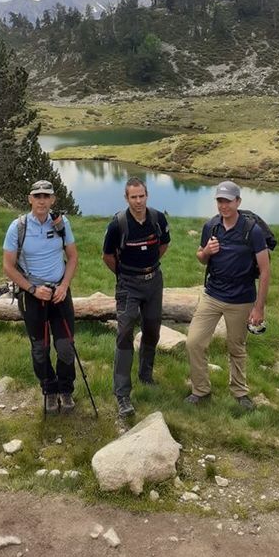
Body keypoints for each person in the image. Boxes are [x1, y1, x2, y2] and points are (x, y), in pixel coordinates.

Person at [186, 180, 270, 410]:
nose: (223, 206)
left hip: (241, 299)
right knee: (194, 342)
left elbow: (264, 270)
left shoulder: (251, 230)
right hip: (212, 294)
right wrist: (206, 251)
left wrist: (259, 307)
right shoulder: (211, 226)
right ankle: (200, 390)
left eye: (228, 201)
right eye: (220, 201)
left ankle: (240, 392)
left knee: (236, 347)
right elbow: (201, 257)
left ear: (238, 202)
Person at [3, 180, 78, 415]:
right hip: (33, 295)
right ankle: (49, 390)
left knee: (65, 346)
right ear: (30, 199)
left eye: (47, 196)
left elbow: (73, 258)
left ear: (53, 199)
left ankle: (65, 390)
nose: (42, 200)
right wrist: (33, 289)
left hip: (59, 294)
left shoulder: (61, 223)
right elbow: (8, 266)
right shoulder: (18, 227)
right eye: (38, 196)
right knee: (40, 348)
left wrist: (64, 286)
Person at [102, 177, 170, 419]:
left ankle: (146, 375)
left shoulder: (157, 219)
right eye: (134, 197)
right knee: (124, 333)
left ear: (147, 195)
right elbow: (108, 256)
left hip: (154, 281)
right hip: (128, 285)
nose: (138, 201)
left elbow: (163, 245)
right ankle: (122, 394)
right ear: (126, 198)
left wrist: (148, 267)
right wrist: (124, 275)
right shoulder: (117, 224)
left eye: (142, 196)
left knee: (152, 328)